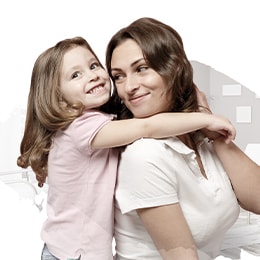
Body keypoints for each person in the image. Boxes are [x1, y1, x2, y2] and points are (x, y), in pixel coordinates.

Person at [16, 37, 235, 260]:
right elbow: (147, 126)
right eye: (75, 75)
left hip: (70, 250)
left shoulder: (98, 122)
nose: (92, 75)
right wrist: (205, 119)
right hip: (74, 255)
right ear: (58, 98)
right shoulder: (79, 129)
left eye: (93, 65)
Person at [105, 17, 260, 260]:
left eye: (141, 68)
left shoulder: (198, 135)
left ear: (173, 68)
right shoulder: (144, 155)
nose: (129, 86)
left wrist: (213, 132)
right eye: (119, 76)